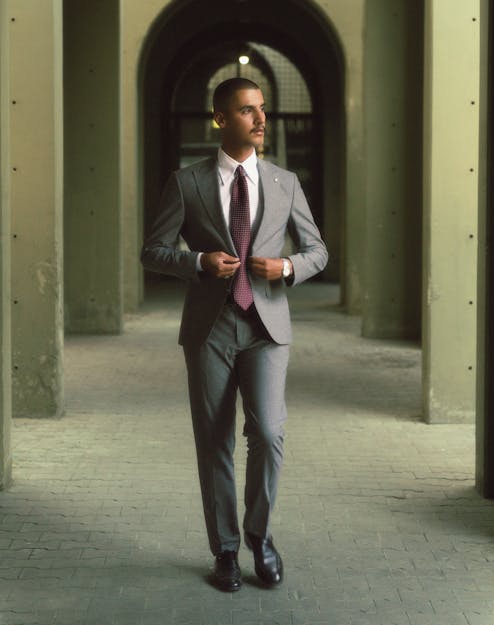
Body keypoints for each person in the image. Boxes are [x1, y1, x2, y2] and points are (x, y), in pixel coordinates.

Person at [141, 77, 328, 591]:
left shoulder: (285, 182)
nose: (261, 119)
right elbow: (153, 251)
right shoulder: (187, 183)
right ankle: (225, 550)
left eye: (262, 110)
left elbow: (318, 250)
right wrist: (198, 261)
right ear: (221, 119)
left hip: (267, 326)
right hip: (210, 328)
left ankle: (260, 539)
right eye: (248, 111)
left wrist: (288, 267)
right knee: (214, 441)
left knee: (268, 433)